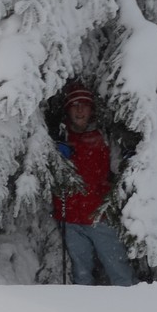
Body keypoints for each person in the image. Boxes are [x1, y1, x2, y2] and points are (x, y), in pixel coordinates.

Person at [52, 83, 136, 286]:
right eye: (74, 105)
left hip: (100, 217)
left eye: (84, 105)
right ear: (68, 110)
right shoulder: (60, 138)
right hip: (70, 219)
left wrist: (130, 159)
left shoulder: (104, 137)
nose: (79, 110)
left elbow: (121, 168)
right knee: (81, 276)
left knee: (119, 271)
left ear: (92, 110)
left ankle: (132, 311)